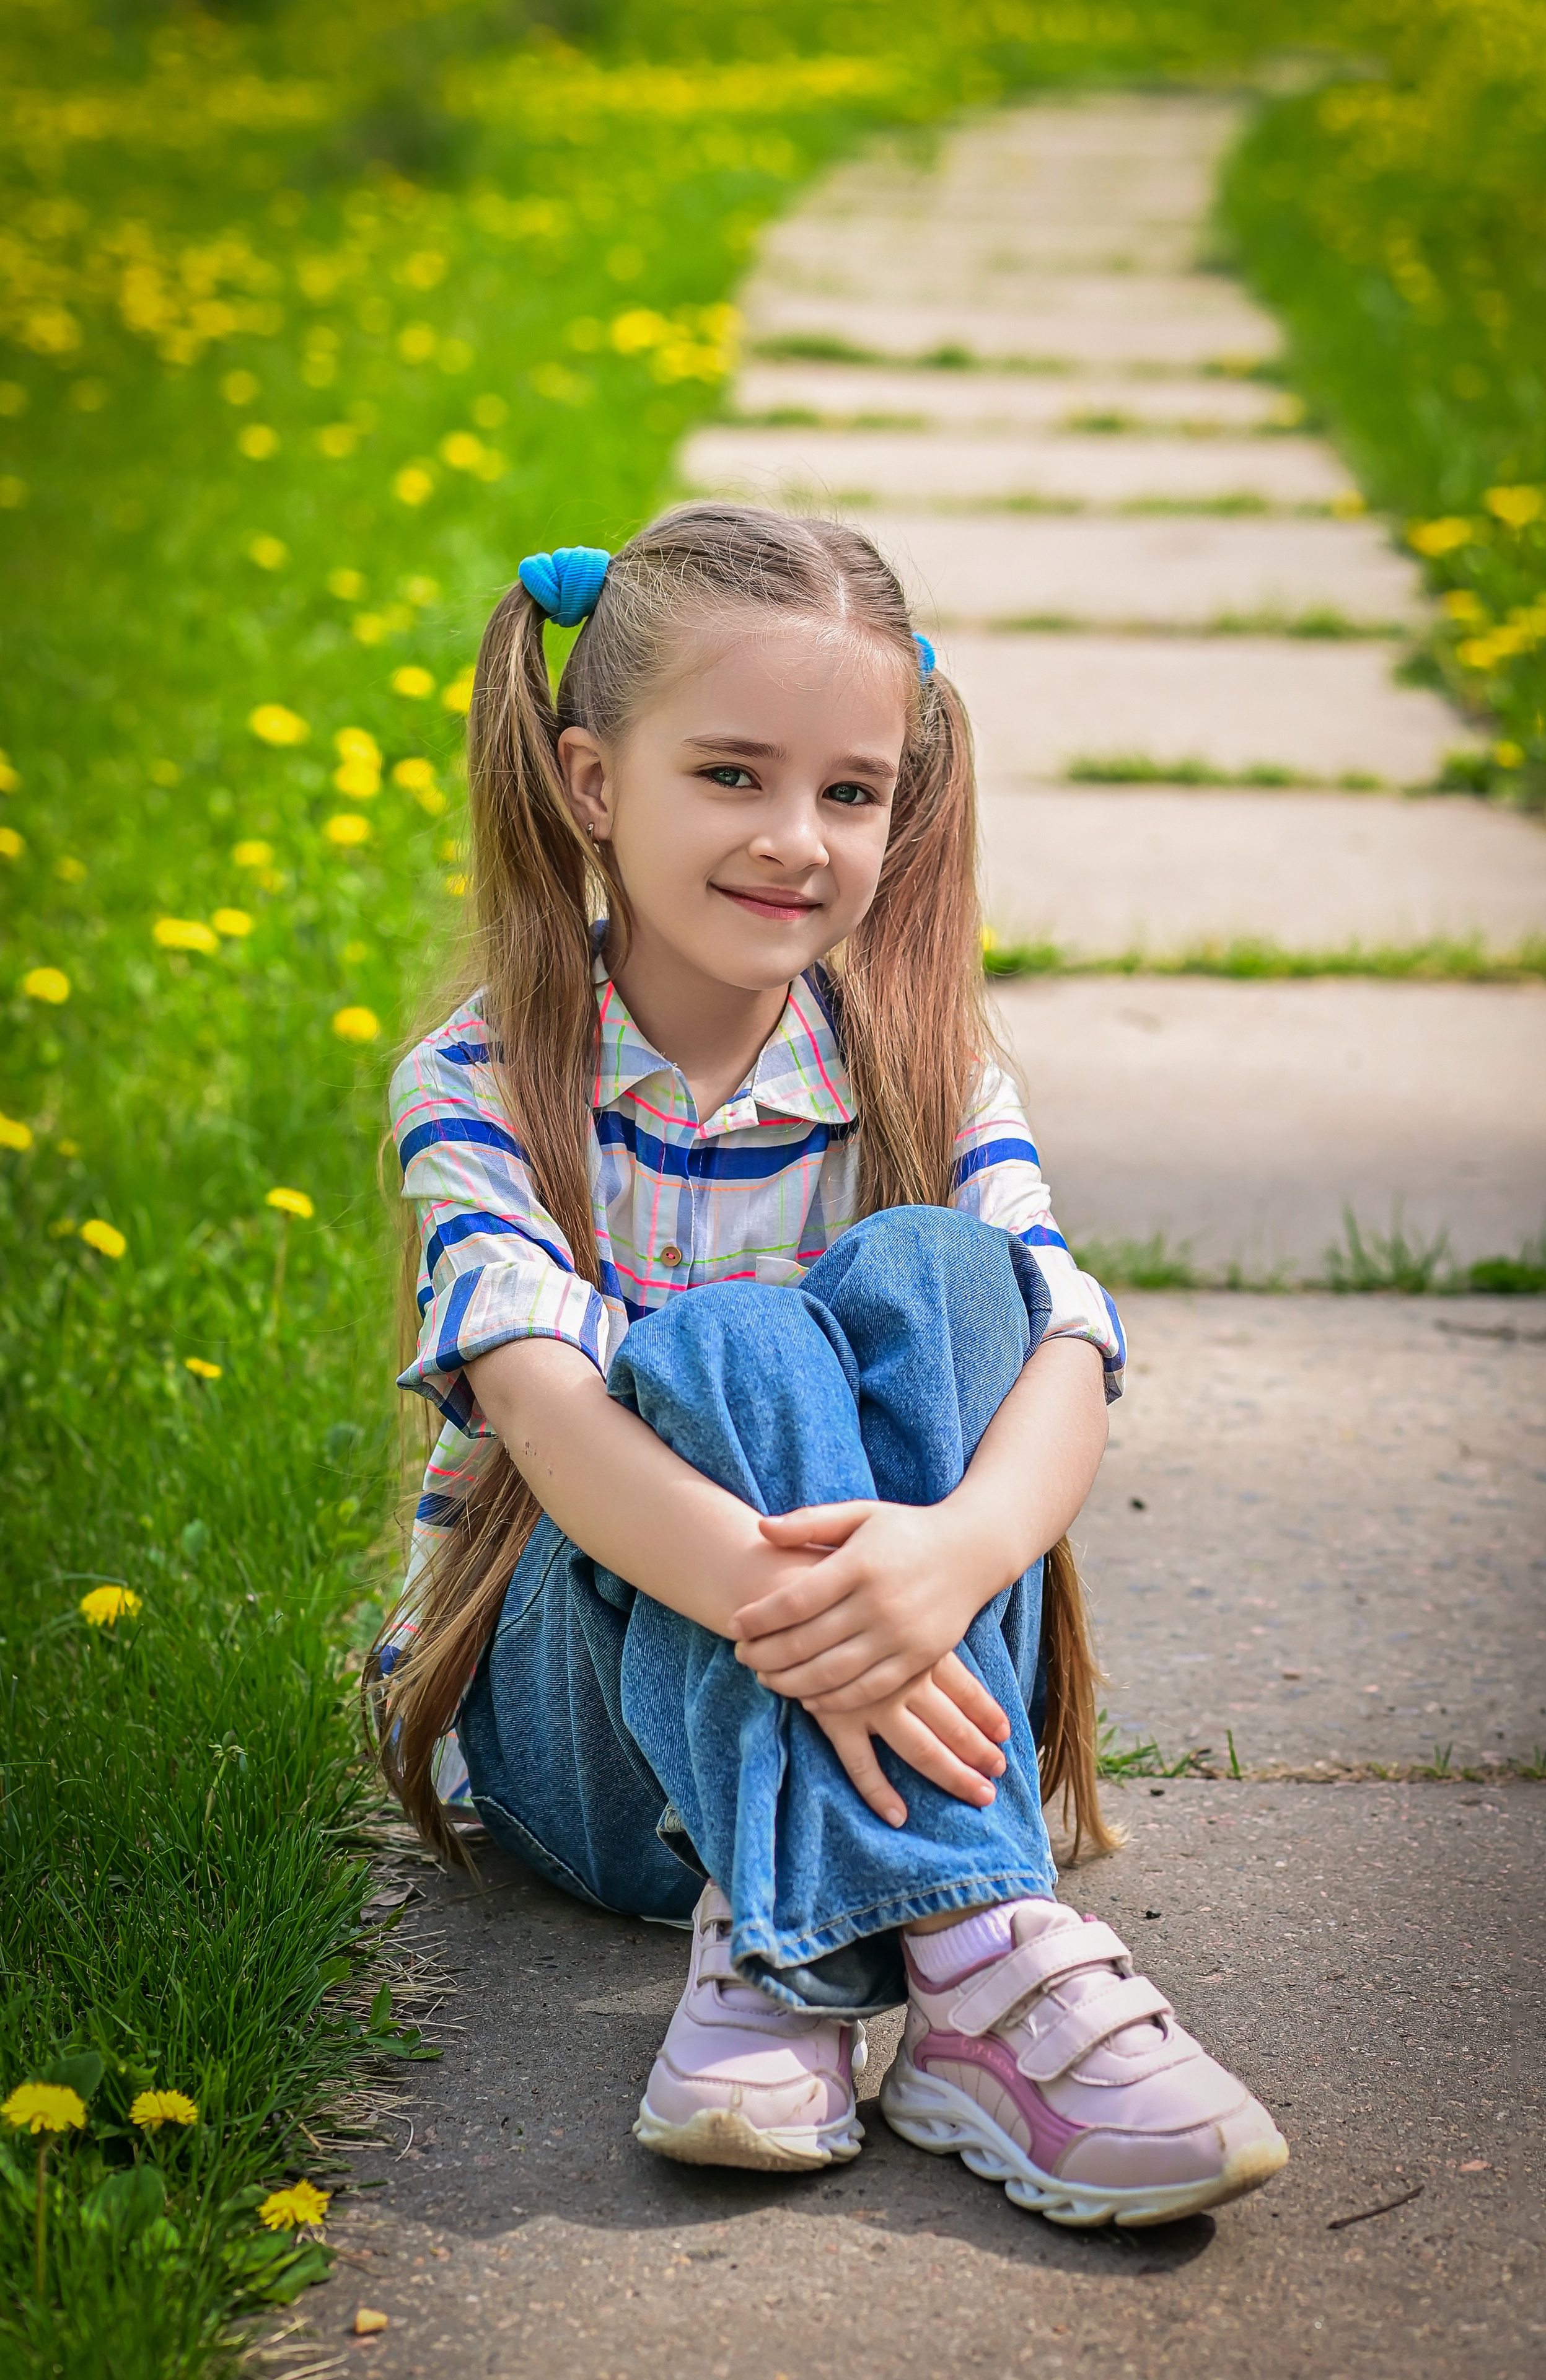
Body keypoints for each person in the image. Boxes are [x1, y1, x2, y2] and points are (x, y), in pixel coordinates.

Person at [371, 504, 1287, 2228]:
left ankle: (801, 1966)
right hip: (590, 1743)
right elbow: (554, 1426)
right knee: (724, 1340)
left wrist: (940, 1564)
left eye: (849, 792)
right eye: (730, 775)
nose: (796, 839)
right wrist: (840, 1636)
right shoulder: (480, 1081)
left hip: (887, 1653)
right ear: (588, 782)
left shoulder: (925, 1069)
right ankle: (984, 1950)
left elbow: (1072, 1350)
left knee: (951, 1271)